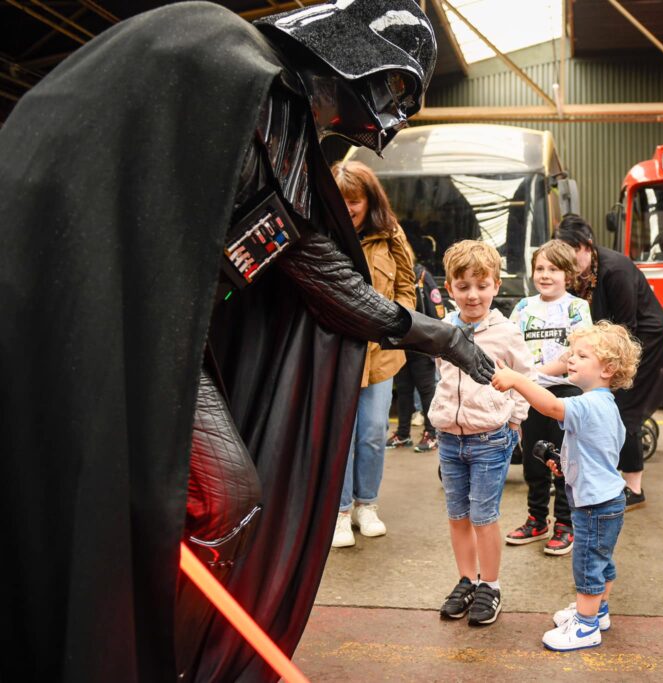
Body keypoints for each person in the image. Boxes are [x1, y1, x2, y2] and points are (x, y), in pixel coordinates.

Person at [0, 3, 497, 681]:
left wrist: (434, 333)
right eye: (400, 89)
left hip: (168, 348)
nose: (396, 113)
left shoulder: (283, 126)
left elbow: (321, 275)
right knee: (99, 503)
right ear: (361, 57)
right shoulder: (210, 51)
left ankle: (157, 656)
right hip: (89, 323)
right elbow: (73, 153)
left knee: (226, 495)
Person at [491, 321, 642, 652]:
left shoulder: (589, 404)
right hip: (606, 498)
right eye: (571, 353)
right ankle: (598, 610)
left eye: (581, 355)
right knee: (601, 559)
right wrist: (566, 465)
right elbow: (598, 453)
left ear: (608, 368)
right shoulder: (605, 404)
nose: (570, 359)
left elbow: (550, 406)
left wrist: (518, 380)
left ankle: (587, 627)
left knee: (587, 563)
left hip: (595, 503)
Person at [432, 240, 532, 627]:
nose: (473, 295)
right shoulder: (442, 330)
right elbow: (437, 374)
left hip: (490, 437)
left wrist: (514, 421)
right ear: (450, 288)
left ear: (495, 285)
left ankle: (490, 585)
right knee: (457, 514)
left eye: (482, 285)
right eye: (463, 287)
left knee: (483, 516)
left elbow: (526, 377)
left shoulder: (506, 332)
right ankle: (466, 579)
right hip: (448, 438)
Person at [555, 215, 663, 510]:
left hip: (641, 343)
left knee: (624, 411)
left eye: (572, 258)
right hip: (610, 343)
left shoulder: (615, 269)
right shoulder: (584, 270)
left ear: (587, 247)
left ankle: (634, 487)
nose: (569, 269)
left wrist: (601, 362)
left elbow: (625, 326)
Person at [331, 161, 416, 548]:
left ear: (369, 200)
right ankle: (340, 511)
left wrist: (394, 325)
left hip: (380, 353)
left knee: (372, 432)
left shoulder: (390, 234)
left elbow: (405, 286)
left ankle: (368, 505)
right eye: (341, 199)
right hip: (334, 352)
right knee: (340, 434)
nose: (348, 207)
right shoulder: (323, 231)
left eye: (355, 200)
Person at [505, 240, 593, 555]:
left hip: (562, 392)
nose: (545, 275)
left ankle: (565, 524)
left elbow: (576, 350)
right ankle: (536, 519)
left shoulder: (577, 308)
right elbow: (510, 345)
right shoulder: (523, 308)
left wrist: (541, 373)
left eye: (553, 269)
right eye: (540, 268)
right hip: (529, 393)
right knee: (533, 459)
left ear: (567, 274)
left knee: (562, 460)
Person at [388, 250, 444, 452]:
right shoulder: (390, 277)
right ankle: (403, 434)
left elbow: (438, 311)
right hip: (400, 345)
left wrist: (434, 342)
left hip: (421, 344)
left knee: (427, 391)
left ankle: (432, 433)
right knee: (403, 391)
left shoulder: (421, 275)